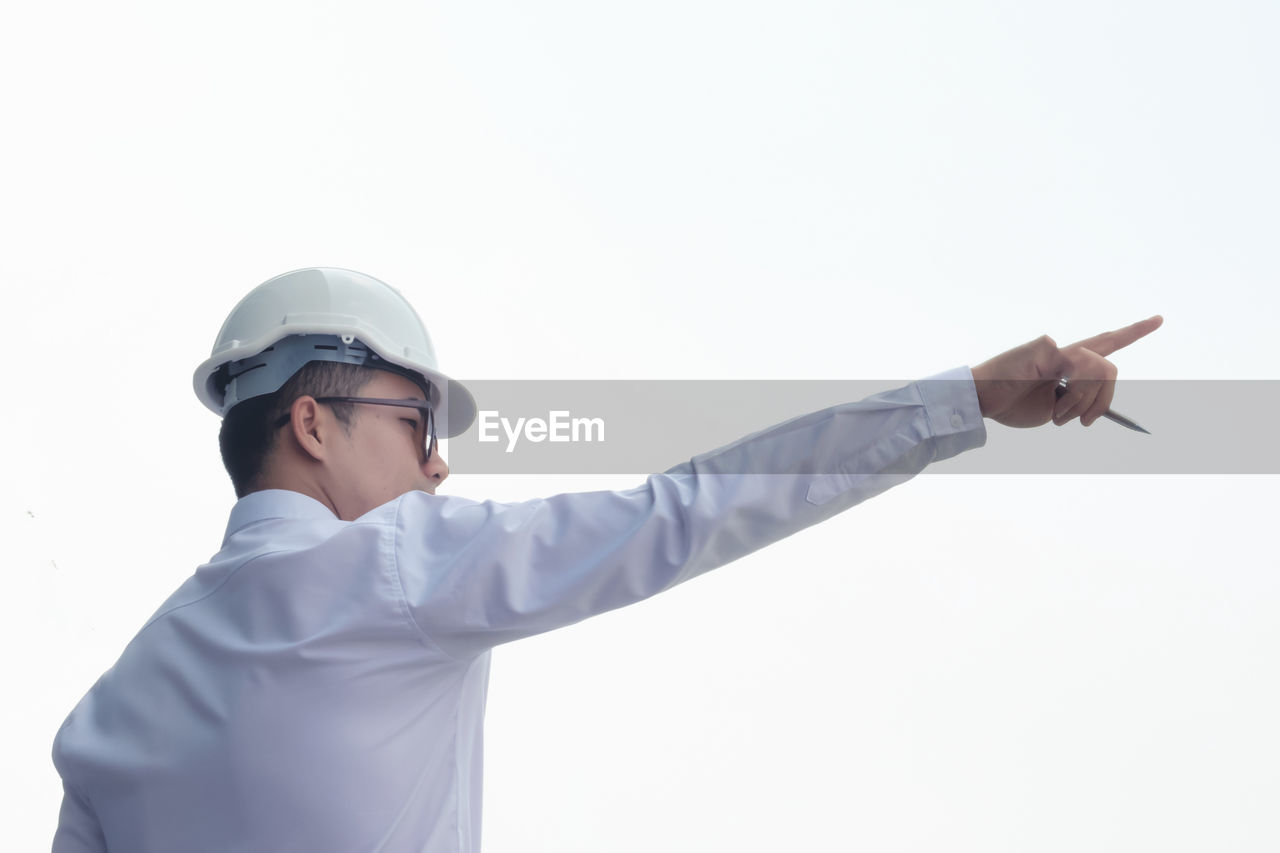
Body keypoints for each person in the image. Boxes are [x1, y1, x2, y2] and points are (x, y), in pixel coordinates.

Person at [50, 267, 1163, 852]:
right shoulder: (395, 563)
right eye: (414, 424)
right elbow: (685, 510)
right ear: (310, 423)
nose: (437, 467)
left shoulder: (110, 708)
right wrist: (959, 400)